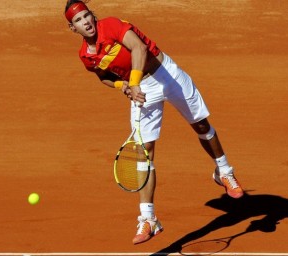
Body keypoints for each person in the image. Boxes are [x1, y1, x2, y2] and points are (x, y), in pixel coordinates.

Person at [64, 0, 244, 245]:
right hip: (140, 89)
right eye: (78, 21)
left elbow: (138, 49)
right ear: (73, 28)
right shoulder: (86, 56)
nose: (86, 22)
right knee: (144, 153)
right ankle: (149, 219)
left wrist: (134, 81)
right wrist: (122, 85)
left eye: (87, 16)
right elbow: (103, 76)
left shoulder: (112, 25)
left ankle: (224, 171)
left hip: (165, 74)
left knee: (201, 125)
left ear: (92, 15)